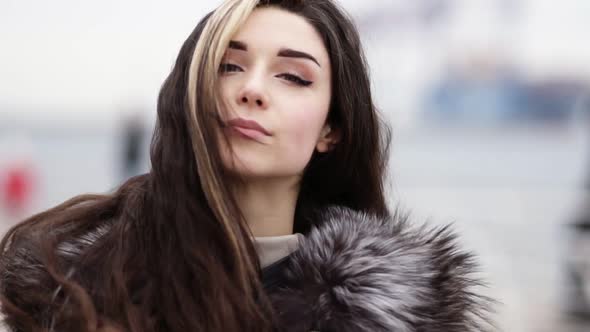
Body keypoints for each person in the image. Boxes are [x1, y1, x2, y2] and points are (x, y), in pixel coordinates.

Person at [0, 0, 492, 331]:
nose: (251, 88)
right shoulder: (70, 291)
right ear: (191, 93)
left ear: (331, 130)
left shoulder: (396, 315)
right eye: (229, 66)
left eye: (293, 77)